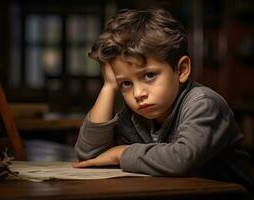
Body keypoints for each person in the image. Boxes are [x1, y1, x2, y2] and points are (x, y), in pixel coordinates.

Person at [73, 8, 254, 195]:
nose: (138, 93)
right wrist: (109, 86)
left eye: (149, 75)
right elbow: (91, 156)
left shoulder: (204, 103)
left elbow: (182, 159)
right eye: (126, 83)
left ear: (182, 69)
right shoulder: (135, 114)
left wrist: (121, 153)